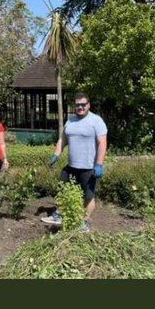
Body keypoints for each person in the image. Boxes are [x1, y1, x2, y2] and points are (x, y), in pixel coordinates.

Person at [41, 92, 107, 232]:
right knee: (63, 189)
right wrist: (56, 155)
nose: (80, 107)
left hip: (88, 167)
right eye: (77, 105)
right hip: (71, 166)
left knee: (88, 196)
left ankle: (85, 222)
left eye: (83, 104)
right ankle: (59, 215)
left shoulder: (96, 121)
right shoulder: (70, 121)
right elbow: (62, 139)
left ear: (88, 105)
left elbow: (102, 143)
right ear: (74, 106)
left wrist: (99, 164)